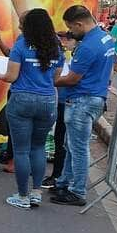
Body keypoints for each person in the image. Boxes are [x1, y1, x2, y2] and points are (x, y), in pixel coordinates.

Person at [0, 9, 62, 209]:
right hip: (47, 101)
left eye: (22, 22)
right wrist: (0, 41)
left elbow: (11, 75)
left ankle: (22, 196)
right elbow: (56, 78)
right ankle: (36, 192)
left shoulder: (23, 42)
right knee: (38, 148)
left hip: (22, 99)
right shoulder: (55, 45)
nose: (20, 25)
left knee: (21, 151)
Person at [52, 5, 116, 206]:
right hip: (95, 96)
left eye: (71, 27)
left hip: (82, 99)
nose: (71, 32)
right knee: (71, 145)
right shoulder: (104, 37)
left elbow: (72, 78)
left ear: (80, 23)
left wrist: (49, 80)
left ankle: (77, 191)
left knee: (77, 148)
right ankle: (64, 182)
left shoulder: (87, 47)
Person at [42, 32, 77, 188]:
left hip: (66, 101)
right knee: (60, 140)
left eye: (66, 40)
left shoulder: (70, 57)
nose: (64, 43)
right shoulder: (65, 55)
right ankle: (60, 176)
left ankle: (58, 176)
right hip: (62, 101)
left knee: (62, 140)